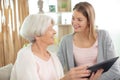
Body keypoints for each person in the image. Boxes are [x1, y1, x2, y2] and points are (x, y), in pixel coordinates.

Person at [58, 1, 120, 80]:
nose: (74, 22)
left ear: (89, 21)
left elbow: (115, 70)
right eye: (73, 18)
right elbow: (56, 68)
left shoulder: (103, 36)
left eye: (79, 20)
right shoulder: (65, 41)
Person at [10, 14, 64, 80]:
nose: (55, 32)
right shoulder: (25, 56)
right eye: (50, 29)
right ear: (37, 34)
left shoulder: (53, 56)